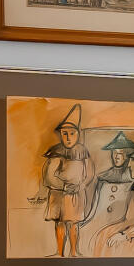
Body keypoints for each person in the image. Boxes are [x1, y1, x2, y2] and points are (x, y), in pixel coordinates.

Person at [39, 110, 97, 257]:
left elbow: (89, 173)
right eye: (65, 133)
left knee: (73, 224)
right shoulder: (55, 151)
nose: (68, 137)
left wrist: (81, 185)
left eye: (72, 133)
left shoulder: (83, 151)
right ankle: (59, 253)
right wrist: (63, 186)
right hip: (58, 194)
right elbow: (48, 176)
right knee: (59, 223)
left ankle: (73, 252)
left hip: (76, 194)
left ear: (77, 134)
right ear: (60, 135)